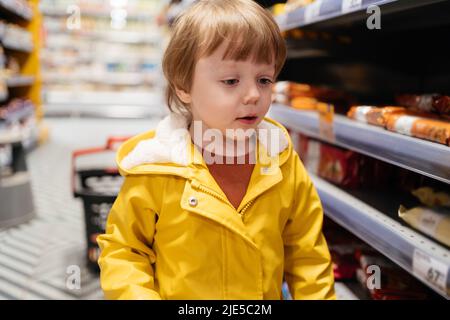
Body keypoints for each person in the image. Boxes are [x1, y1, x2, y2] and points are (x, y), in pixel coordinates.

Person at [97, 0, 335, 300]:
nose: (252, 95)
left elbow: (307, 254)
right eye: (231, 81)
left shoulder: (282, 162)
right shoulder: (157, 168)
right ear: (183, 86)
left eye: (264, 80)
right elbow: (125, 251)